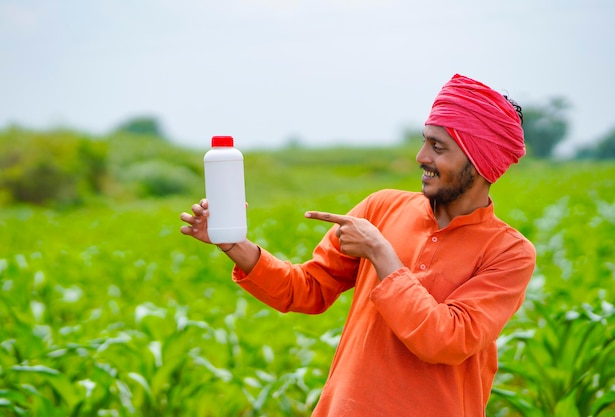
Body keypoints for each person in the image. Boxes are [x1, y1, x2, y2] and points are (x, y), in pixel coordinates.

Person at [180, 74, 536, 417]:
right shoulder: (382, 207)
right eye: (425, 140)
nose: (421, 156)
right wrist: (234, 245)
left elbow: (447, 340)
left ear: (480, 162)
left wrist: (382, 255)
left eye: (438, 147)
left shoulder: (508, 253)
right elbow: (306, 290)